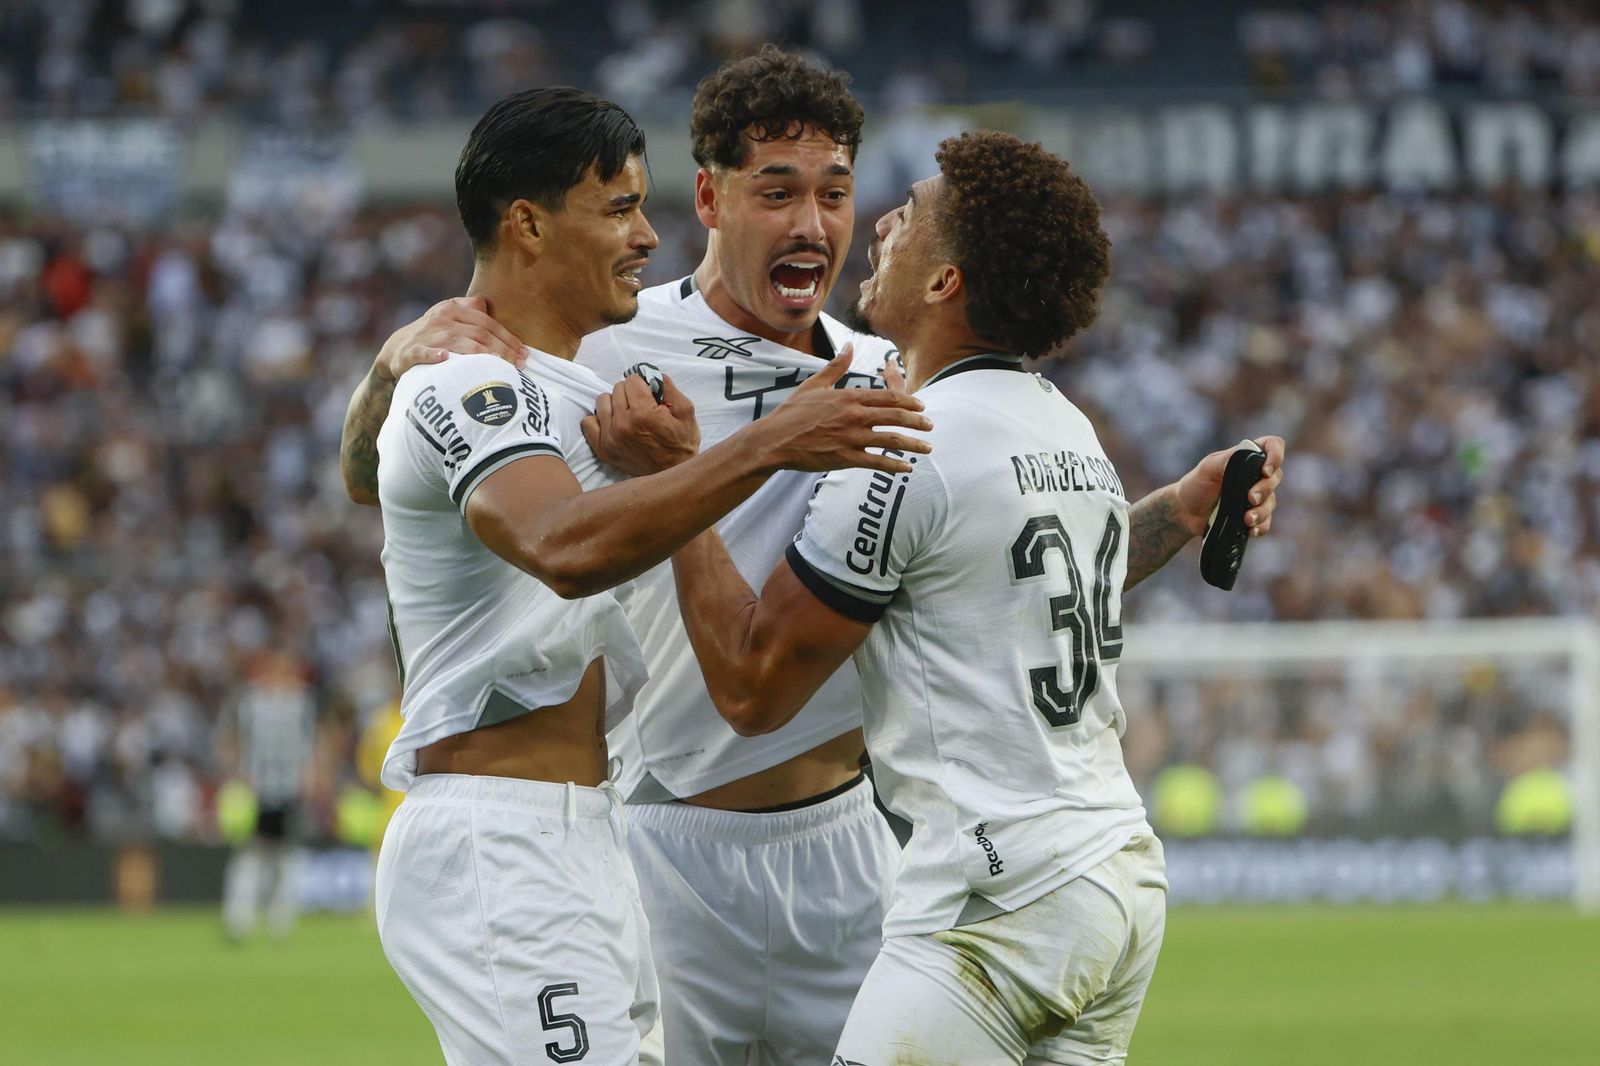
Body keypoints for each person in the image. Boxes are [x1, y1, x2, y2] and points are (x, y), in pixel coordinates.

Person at [662, 131, 1286, 1064]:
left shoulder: (907, 435)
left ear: (947, 280)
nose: (881, 224)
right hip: (1114, 875)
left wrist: (678, 481)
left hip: (995, 902)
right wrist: (1176, 514)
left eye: (910, 214)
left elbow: (753, 687)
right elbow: (1013, 588)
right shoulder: (1063, 423)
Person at [343, 49, 910, 1064]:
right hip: (517, 830)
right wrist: (393, 363)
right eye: (617, 210)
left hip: (608, 829)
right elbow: (558, 544)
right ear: (527, 224)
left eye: (834, 193)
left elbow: (375, 473)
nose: (646, 237)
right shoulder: (483, 376)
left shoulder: (566, 385)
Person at [218, 649, 317, 942]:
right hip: (256, 789)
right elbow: (233, 739)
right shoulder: (250, 703)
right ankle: (240, 919)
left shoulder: (302, 703)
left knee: (285, 857)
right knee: (251, 854)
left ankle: (279, 921)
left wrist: (311, 779)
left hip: (290, 788)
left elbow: (311, 744)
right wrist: (236, 777)